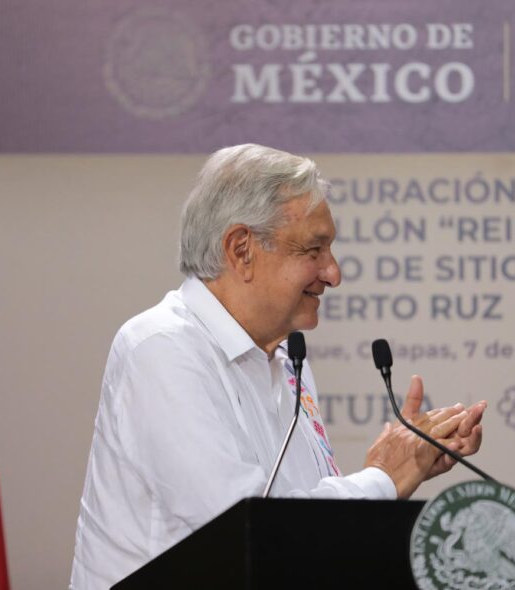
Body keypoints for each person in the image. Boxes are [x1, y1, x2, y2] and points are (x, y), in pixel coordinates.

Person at [70, 144, 486, 588]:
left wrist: (406, 464)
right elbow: (240, 526)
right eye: (314, 249)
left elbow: (298, 526)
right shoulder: (160, 348)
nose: (333, 273)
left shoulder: (290, 360)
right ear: (241, 249)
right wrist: (382, 478)